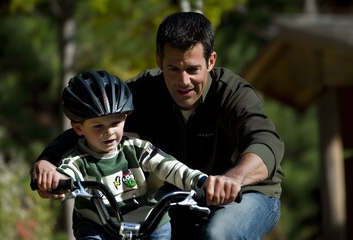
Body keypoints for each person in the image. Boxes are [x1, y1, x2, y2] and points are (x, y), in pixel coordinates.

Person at [31, 12, 284, 240]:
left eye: (193, 69)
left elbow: (265, 142)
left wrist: (233, 178)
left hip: (245, 194)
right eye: (173, 69)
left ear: (211, 61)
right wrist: (47, 163)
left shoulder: (233, 93)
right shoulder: (140, 92)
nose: (183, 81)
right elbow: (92, 125)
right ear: (159, 61)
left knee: (218, 235)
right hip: (176, 199)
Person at [41, 70, 209, 240]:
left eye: (115, 123)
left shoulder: (136, 148)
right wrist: (56, 181)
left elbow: (167, 166)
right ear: (78, 128)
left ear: (126, 118)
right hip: (100, 227)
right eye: (98, 126)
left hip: (148, 223)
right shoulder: (77, 161)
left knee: (163, 230)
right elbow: (66, 173)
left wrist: (201, 181)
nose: (109, 132)